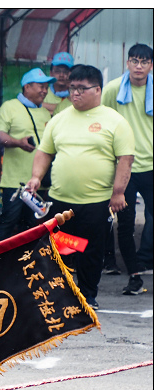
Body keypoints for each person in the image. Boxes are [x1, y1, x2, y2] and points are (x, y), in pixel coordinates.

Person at [26, 65, 135, 310]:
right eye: (72, 88)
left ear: (97, 90)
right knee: (59, 247)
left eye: (81, 89)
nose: (75, 93)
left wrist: (118, 192)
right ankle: (58, 292)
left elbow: (125, 159)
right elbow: (44, 152)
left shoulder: (114, 121)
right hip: (60, 199)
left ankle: (87, 295)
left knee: (91, 250)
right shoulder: (59, 119)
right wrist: (35, 177)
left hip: (96, 202)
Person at [102, 43, 153, 295]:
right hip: (124, 167)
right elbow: (102, 121)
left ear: (151, 65)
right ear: (127, 63)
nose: (139, 66)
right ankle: (134, 276)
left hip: (154, 166)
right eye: (135, 61)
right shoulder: (112, 89)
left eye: (144, 62)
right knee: (125, 224)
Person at [0, 67, 54, 244]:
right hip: (15, 182)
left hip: (38, 182)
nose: (44, 90)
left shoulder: (44, 112)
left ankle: (26, 264)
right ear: (27, 87)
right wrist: (18, 142)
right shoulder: (9, 107)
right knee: (8, 221)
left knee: (32, 225)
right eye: (40, 86)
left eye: (46, 87)